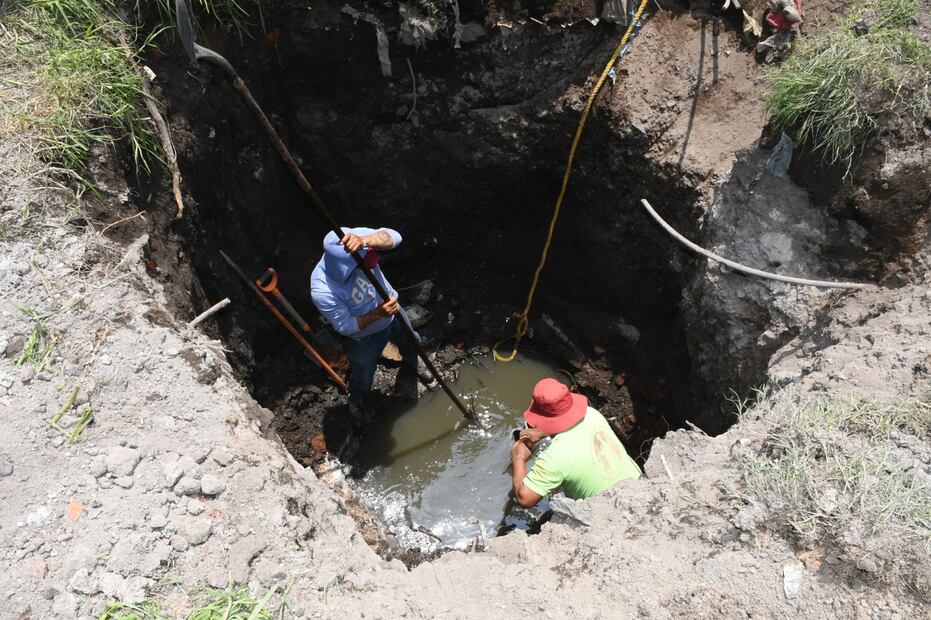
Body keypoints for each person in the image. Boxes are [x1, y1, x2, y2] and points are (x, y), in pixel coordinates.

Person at [310, 226, 418, 417]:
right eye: (362, 264)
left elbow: (395, 237)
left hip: (394, 313)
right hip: (365, 338)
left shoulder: (354, 236)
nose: (371, 263)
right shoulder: (323, 290)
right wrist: (377, 313)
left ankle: (415, 362)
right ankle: (357, 400)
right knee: (363, 374)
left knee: (412, 341)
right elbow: (345, 326)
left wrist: (366, 240)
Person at [510, 378, 641, 508]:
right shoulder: (592, 414)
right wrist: (542, 431)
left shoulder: (555, 456)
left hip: (610, 512)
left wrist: (518, 458)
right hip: (640, 488)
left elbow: (524, 499)